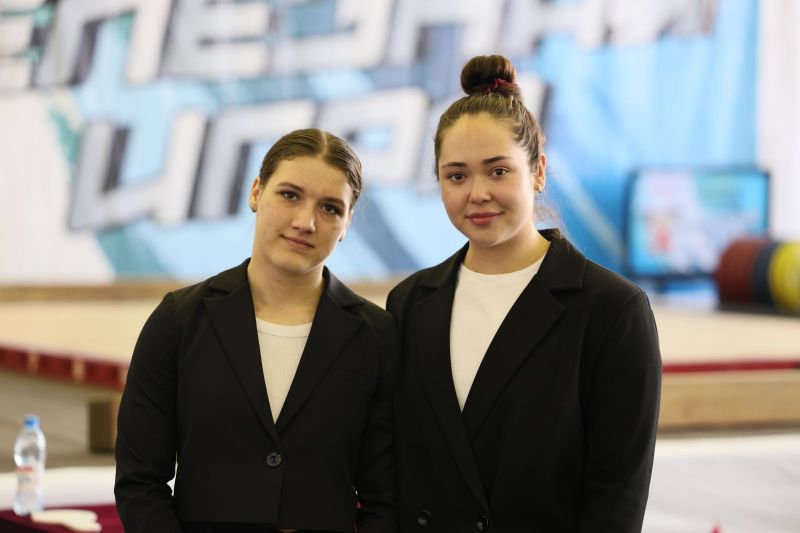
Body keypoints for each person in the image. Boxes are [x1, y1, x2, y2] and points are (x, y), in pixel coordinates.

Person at [386, 55, 661, 532]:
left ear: (537, 172)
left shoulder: (611, 310)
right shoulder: (410, 303)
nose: (477, 193)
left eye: (498, 171)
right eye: (457, 175)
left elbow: (616, 499)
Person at [115, 129, 396, 533]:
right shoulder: (179, 320)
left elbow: (387, 498)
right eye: (290, 195)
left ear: (347, 221)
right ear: (256, 192)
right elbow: (140, 481)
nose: (305, 222)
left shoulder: (377, 336)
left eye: (330, 208)